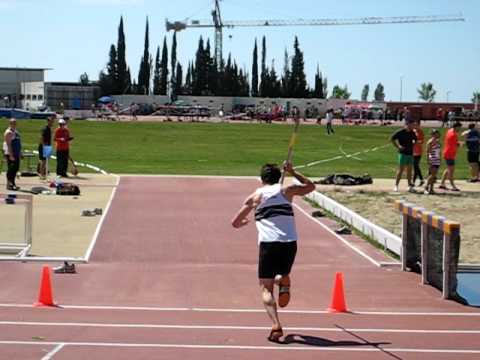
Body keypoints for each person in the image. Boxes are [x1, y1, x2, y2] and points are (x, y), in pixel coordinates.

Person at [231, 162, 315, 343]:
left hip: (268, 245)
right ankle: (282, 280)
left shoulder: (256, 196)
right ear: (279, 177)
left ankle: (276, 325)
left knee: (265, 287)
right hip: (290, 243)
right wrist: (293, 171)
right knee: (281, 274)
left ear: (262, 179)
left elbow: (235, 222)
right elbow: (311, 187)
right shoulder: (287, 190)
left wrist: (245, 222)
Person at [391, 121, 417, 192]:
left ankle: (409, 186)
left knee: (409, 170)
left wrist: (414, 143)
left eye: (412, 125)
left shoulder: (413, 132)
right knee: (401, 170)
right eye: (411, 125)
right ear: (406, 125)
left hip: (410, 153)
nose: (412, 126)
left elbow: (415, 140)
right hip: (403, 153)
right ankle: (396, 185)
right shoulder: (400, 132)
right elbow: (392, 139)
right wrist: (398, 146)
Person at [439, 122, 462, 191]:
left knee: (448, 169)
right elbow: (456, 144)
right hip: (450, 154)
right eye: (459, 127)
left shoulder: (449, 131)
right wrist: (460, 144)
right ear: (456, 127)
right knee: (451, 170)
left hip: (447, 153)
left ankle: (442, 184)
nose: (460, 129)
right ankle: (453, 186)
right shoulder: (454, 134)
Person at [3, 118, 22, 190]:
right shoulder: (8, 132)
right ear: (10, 124)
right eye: (13, 123)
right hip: (11, 153)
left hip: (16, 152)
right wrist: (11, 155)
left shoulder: (16, 132)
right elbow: (9, 144)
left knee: (16, 168)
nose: (14, 124)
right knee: (11, 169)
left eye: (15, 123)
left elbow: (18, 143)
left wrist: (20, 152)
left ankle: (13, 183)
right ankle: (9, 184)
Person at [424, 129, 441, 195]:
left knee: (434, 175)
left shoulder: (437, 141)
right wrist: (428, 160)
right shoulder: (430, 142)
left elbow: (439, 151)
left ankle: (431, 189)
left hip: (437, 159)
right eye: (437, 133)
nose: (438, 134)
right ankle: (426, 187)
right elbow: (427, 151)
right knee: (432, 175)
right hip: (432, 159)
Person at [412, 121, 425, 186]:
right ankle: (420, 180)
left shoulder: (420, 132)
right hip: (412, 151)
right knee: (415, 166)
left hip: (418, 151)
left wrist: (416, 142)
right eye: (414, 125)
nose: (415, 126)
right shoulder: (413, 131)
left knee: (415, 166)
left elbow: (422, 141)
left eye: (416, 125)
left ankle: (414, 181)